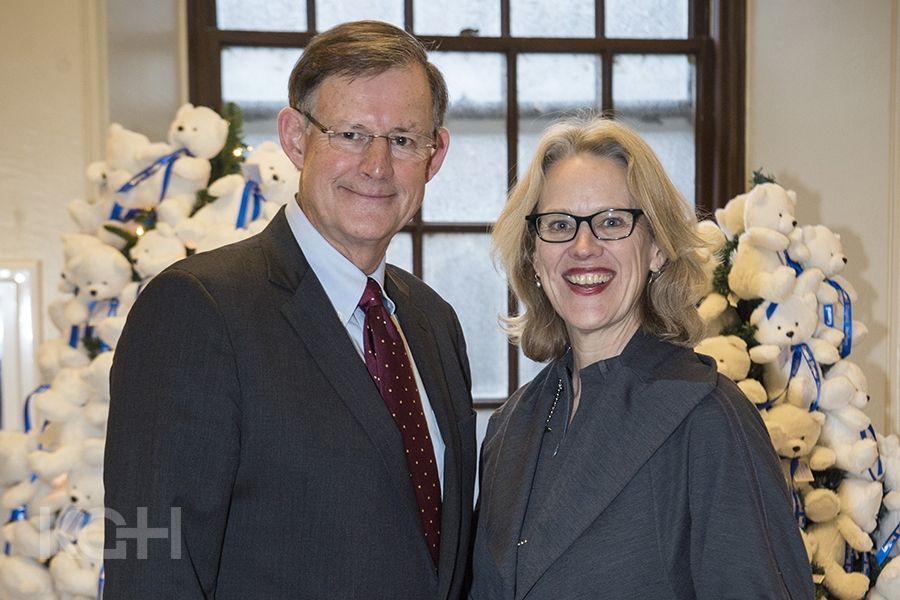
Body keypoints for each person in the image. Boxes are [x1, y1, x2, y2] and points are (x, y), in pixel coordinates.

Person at [104, 20, 477, 599]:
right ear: (296, 138)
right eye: (351, 134)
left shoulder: (434, 323)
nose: (377, 166)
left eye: (403, 139)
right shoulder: (198, 310)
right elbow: (148, 549)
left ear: (435, 154)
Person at [468, 116, 814, 599]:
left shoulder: (708, 416)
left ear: (655, 248)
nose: (583, 248)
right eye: (559, 225)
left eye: (612, 222)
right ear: (533, 256)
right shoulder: (509, 427)